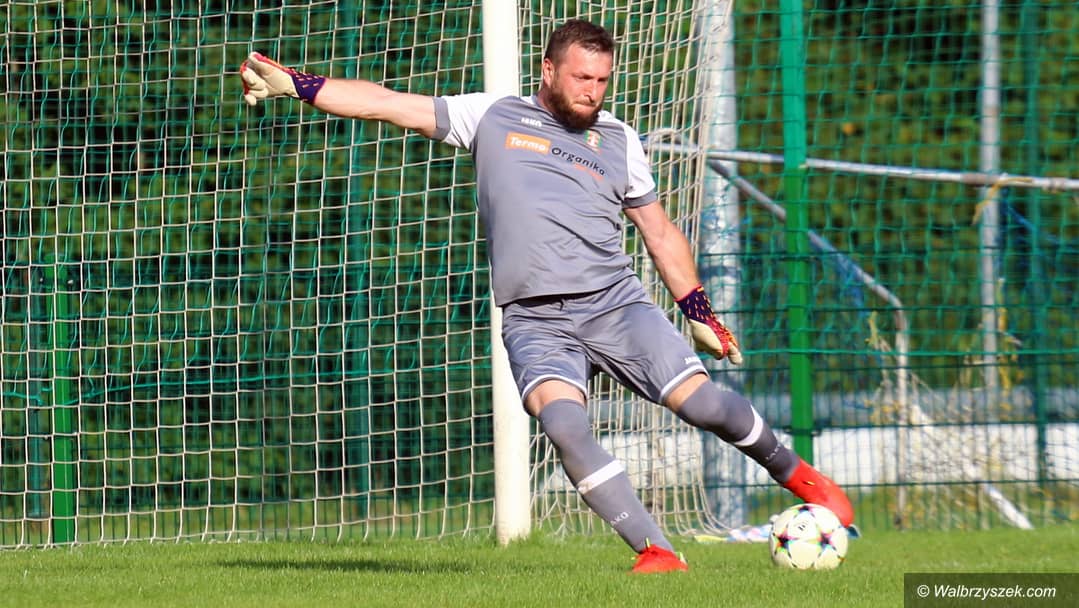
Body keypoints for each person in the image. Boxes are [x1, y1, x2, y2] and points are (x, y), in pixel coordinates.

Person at [239, 19, 853, 574]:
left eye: (603, 80)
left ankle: (806, 481)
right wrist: (298, 85)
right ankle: (658, 553)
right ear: (549, 70)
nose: (593, 91)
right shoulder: (494, 115)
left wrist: (698, 310)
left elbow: (660, 232)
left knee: (705, 405)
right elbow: (388, 104)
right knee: (563, 424)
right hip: (535, 320)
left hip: (615, 304)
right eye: (582, 77)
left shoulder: (619, 140)